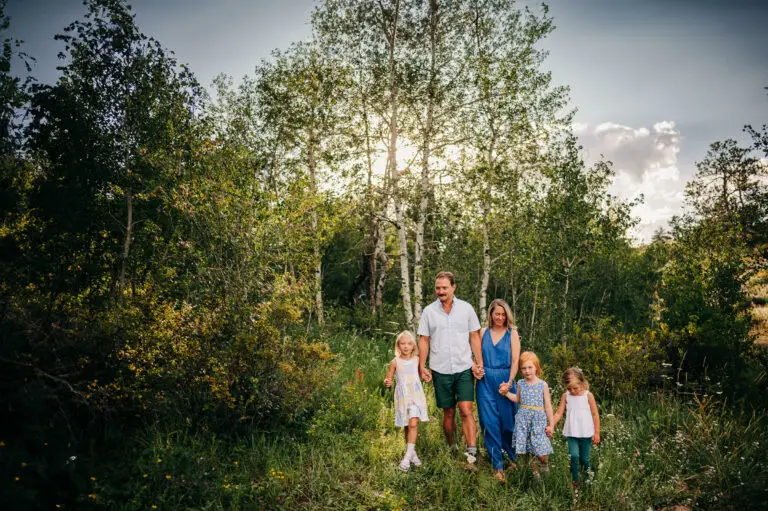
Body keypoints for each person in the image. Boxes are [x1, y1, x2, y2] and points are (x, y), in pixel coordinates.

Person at [418, 271, 484, 466]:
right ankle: (453, 447)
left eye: (444, 287)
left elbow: (474, 336)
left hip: (464, 368)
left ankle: (472, 453)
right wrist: (421, 366)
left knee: (466, 410)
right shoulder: (429, 312)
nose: (441, 291)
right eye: (438, 288)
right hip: (440, 369)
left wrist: (479, 362)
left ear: (453, 287)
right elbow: (424, 339)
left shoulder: (466, 309)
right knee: (448, 412)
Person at [476, 299, 521, 483]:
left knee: (508, 423)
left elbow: (516, 360)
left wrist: (509, 383)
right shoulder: (483, 332)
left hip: (505, 380)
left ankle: (512, 457)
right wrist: (476, 368)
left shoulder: (512, 333)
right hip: (485, 381)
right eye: (497, 314)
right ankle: (498, 466)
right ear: (491, 314)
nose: (500, 318)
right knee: (490, 423)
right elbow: (475, 356)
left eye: (503, 314)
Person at [500, 351, 554, 476]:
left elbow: (548, 406)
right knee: (528, 450)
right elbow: (517, 399)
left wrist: (551, 424)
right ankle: (535, 476)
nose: (527, 371)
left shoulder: (542, 385)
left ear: (536, 367)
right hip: (523, 420)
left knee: (541, 450)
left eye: (530, 367)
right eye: (524, 368)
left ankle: (545, 467)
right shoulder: (520, 383)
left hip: (538, 421)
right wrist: (506, 393)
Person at [384, 331, 429, 472]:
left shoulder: (417, 360)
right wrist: (387, 382)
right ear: (398, 345)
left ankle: (406, 459)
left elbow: (422, 373)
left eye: (409, 344)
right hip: (403, 397)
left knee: (413, 423)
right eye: (402, 343)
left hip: (415, 396)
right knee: (407, 425)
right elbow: (389, 378)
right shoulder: (395, 362)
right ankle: (413, 454)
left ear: (413, 346)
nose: (405, 346)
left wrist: (427, 375)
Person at [550, 367, 601, 487]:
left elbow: (595, 414)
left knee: (584, 459)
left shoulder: (588, 395)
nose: (572, 391)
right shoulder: (565, 396)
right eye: (569, 388)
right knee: (574, 455)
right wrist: (551, 425)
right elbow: (558, 413)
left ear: (582, 383)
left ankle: (588, 479)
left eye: (575, 388)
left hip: (586, 432)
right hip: (572, 432)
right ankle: (575, 480)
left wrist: (597, 432)